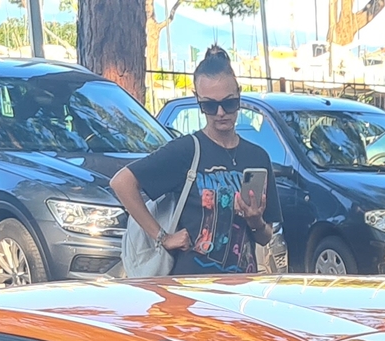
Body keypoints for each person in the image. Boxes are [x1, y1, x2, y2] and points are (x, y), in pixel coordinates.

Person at [109, 47, 278, 276]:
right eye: (209, 105)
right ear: (198, 101)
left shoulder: (257, 157)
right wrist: (163, 237)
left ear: (239, 94)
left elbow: (265, 236)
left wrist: (256, 220)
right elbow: (122, 183)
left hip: (242, 287)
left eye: (229, 103)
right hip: (192, 288)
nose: (220, 112)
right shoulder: (186, 150)